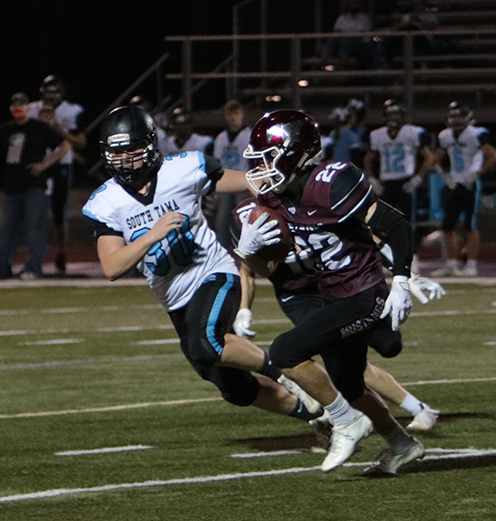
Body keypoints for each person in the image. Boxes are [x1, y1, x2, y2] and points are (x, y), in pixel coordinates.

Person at [82, 106, 326, 444]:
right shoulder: (106, 202)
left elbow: (250, 183)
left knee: (206, 343)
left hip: (213, 273)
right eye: (116, 151)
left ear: (151, 145)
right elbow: (112, 267)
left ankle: (286, 372)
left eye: (131, 149)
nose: (124, 159)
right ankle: (319, 415)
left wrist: (284, 208)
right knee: (233, 388)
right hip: (174, 297)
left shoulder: (183, 169)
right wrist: (152, 234)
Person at [236, 109, 425, 474]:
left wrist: (401, 280)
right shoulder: (272, 201)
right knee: (348, 382)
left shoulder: (331, 182)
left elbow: (396, 225)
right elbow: (267, 271)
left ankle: (347, 422)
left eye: (268, 158)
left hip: (363, 292)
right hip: (331, 292)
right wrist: (247, 252)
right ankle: (402, 444)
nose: (261, 169)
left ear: (295, 152)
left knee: (285, 351)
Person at [424, 102, 496, 277]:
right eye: (454, 116)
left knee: (469, 225)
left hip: (470, 183)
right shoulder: (445, 136)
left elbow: (494, 157)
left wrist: (477, 174)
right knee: (447, 225)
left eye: (460, 116)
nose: (456, 120)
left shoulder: (477, 134)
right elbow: (433, 160)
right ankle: (451, 265)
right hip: (454, 183)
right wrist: (444, 175)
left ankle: (471, 265)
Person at [0, 92, 71, 280]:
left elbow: (64, 146)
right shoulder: (6, 130)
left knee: (35, 227)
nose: (18, 108)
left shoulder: (38, 128)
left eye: (21, 105)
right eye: (14, 105)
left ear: (28, 107)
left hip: (34, 184)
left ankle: (33, 268)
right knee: (7, 229)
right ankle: (3, 268)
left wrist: (45, 165)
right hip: (11, 185)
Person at [26, 75, 86, 275]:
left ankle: (61, 252)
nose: (51, 96)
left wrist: (59, 130)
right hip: (37, 164)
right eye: (48, 92)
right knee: (35, 213)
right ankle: (35, 255)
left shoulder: (71, 111)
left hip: (60, 165)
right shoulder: (31, 109)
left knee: (59, 214)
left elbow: (81, 142)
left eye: (55, 92)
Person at [365, 99, 434, 222]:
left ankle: (407, 241)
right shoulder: (377, 135)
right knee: (385, 221)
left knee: (406, 220)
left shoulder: (412, 132)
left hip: (405, 181)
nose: (393, 118)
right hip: (386, 182)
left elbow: (428, 157)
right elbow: (368, 158)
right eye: (391, 115)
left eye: (396, 115)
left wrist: (418, 177)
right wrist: (372, 178)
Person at [212, 100, 252, 251]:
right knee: (222, 220)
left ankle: (245, 253)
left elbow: (254, 162)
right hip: (225, 181)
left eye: (236, 113)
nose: (233, 117)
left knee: (242, 221)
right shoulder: (221, 138)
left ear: (242, 114)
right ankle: (222, 252)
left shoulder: (249, 136)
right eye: (230, 114)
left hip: (243, 182)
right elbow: (216, 162)